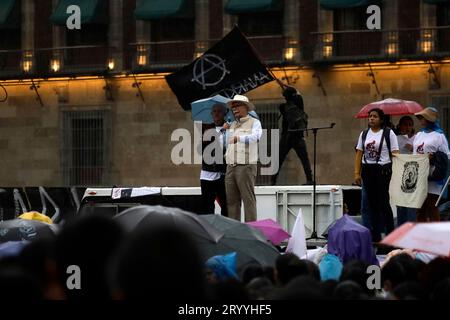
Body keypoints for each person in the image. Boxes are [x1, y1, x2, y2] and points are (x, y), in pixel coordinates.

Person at [354, 108, 399, 242]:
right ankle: (376, 236)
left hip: (383, 170)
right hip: (367, 170)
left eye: (374, 116)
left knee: (384, 203)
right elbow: (359, 154)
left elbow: (395, 153)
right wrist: (357, 173)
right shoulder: (364, 134)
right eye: (370, 116)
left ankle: (391, 235)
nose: (371, 119)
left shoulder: (388, 133)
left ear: (381, 119)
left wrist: (397, 173)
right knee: (371, 204)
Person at [224, 95, 262, 222]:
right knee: (232, 201)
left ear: (245, 107)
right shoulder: (232, 124)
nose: (234, 109)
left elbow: (256, 137)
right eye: (233, 107)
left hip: (246, 166)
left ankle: (251, 229)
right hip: (231, 166)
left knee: (248, 199)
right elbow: (223, 144)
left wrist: (238, 138)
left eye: (237, 106)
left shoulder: (254, 122)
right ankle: (235, 230)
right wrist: (222, 131)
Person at [413, 107, 450, 222]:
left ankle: (436, 235)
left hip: (433, 175)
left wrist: (433, 158)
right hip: (419, 174)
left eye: (422, 117)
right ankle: (420, 234)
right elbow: (415, 154)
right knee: (420, 208)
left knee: (432, 206)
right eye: (420, 117)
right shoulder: (419, 135)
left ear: (429, 119)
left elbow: (446, 157)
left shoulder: (439, 136)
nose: (420, 120)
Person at [271, 86, 313, 185]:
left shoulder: (282, 107)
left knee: (279, 159)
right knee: (304, 159)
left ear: (285, 97)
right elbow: (299, 96)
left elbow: (292, 97)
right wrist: (294, 90)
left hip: (286, 137)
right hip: (298, 136)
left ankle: (273, 181)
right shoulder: (299, 105)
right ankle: (309, 179)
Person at [200, 104, 228, 216]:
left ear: (225, 113)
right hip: (207, 172)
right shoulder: (206, 127)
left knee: (225, 204)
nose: (216, 114)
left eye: (219, 111)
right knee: (207, 205)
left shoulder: (230, 128)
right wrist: (221, 132)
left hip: (223, 172)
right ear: (211, 114)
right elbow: (203, 146)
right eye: (214, 111)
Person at [395, 116, 417, 226]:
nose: (408, 127)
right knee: (400, 202)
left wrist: (412, 149)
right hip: (400, 173)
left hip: (414, 174)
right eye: (405, 124)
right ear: (400, 126)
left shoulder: (417, 138)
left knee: (411, 202)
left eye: (410, 124)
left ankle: (411, 227)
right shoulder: (397, 139)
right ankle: (401, 227)